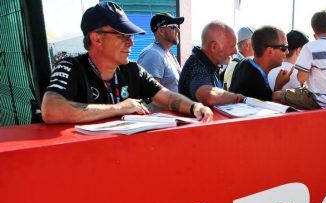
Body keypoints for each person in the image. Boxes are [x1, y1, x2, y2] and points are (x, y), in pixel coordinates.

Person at [41, 2, 212, 124]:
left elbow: (167, 97)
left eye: (131, 36)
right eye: (123, 35)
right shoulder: (70, 67)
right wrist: (118, 108)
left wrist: (195, 106)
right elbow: (51, 110)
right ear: (97, 38)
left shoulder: (132, 69)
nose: (131, 42)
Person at [281, 10, 326, 109]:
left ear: (315, 32)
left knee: (279, 94)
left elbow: (301, 78)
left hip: (314, 100)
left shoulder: (310, 47)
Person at [178, 21, 245, 106]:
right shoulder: (197, 66)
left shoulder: (207, 63)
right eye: (231, 46)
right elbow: (209, 96)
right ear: (214, 47)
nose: (235, 52)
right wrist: (237, 98)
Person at [229, 26, 290, 101]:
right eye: (284, 48)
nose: (287, 52)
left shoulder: (245, 62)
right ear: (270, 51)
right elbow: (267, 109)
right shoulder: (255, 82)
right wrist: (278, 86)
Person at [137, 13, 184, 92]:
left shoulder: (167, 53)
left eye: (177, 26)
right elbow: (152, 95)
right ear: (161, 31)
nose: (178, 30)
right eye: (173, 26)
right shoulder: (153, 54)